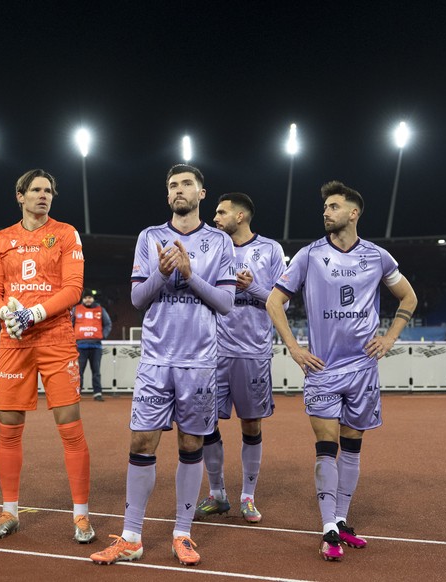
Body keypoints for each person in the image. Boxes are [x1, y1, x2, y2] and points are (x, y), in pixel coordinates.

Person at [90, 164, 235, 567]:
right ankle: (132, 536)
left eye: (187, 184)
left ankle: (182, 534)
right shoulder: (150, 237)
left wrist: (188, 275)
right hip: (156, 360)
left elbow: (225, 303)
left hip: (199, 362)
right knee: (140, 442)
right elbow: (138, 299)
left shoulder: (219, 241)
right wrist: (162, 271)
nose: (179, 190)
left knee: (191, 445)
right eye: (172, 185)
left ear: (202, 193)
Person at [266, 180, 417, 561]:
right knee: (326, 446)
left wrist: (389, 338)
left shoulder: (378, 257)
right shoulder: (309, 255)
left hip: (363, 368)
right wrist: (295, 348)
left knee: (352, 447)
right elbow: (274, 301)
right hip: (324, 369)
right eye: (325, 207)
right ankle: (328, 529)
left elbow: (408, 297)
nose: (326, 212)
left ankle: (341, 521)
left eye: (333, 206)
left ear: (353, 213)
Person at [0, 169, 94, 543]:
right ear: (20, 195)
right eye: (35, 190)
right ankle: (8, 511)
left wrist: (35, 314)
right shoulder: (2, 239)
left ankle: (81, 517)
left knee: (70, 427)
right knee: (9, 429)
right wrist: (7, 314)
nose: (43, 196)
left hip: (55, 339)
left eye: (48, 191)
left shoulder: (65, 233)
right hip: (13, 341)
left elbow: (74, 289)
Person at [193, 192, 285, 524]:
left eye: (221, 212)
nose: (215, 218)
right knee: (205, 424)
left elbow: (281, 302)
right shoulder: (212, 247)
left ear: (240, 216)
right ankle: (217, 494)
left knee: (251, 423)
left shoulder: (271, 250)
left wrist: (253, 288)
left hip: (252, 352)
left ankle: (248, 496)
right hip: (212, 352)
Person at [72, 290, 112, 401]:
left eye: (89, 297)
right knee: (79, 371)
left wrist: (103, 335)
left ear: (93, 299)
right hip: (80, 346)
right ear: (82, 299)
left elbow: (108, 324)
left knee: (96, 371)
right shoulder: (76, 309)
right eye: (85, 298)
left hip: (96, 346)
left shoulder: (100, 310)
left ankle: (97, 393)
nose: (88, 299)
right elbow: (70, 324)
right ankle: (77, 393)